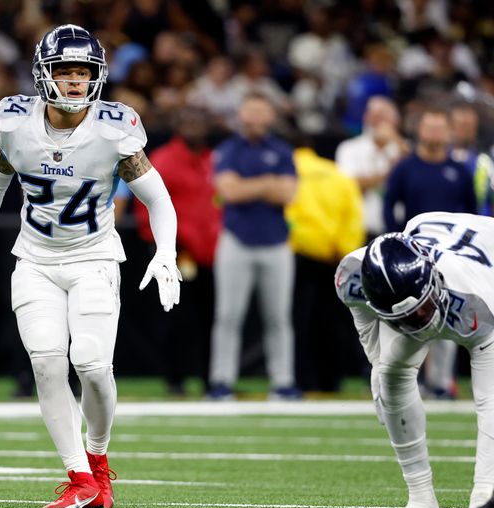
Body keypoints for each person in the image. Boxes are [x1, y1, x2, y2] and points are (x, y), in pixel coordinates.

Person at [0, 24, 180, 508]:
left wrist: (165, 252)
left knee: (90, 363)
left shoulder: (115, 127)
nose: (74, 82)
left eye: (83, 72)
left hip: (93, 257)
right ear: (43, 75)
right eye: (64, 72)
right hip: (36, 260)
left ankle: (99, 457)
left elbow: (158, 198)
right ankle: (80, 477)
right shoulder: (13, 122)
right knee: (47, 362)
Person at [335, 212, 494, 508]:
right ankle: (422, 503)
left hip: (481, 272)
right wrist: (378, 367)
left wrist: (483, 504)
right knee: (391, 377)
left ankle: (484, 496)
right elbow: (366, 323)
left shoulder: (479, 296)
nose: (423, 322)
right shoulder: (352, 277)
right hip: (430, 240)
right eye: (411, 317)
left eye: (423, 310)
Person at [208, 92, 300, 401]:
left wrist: (250, 186)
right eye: (251, 111)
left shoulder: (282, 150)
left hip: (276, 242)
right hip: (236, 240)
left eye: (262, 111)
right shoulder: (229, 149)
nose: (256, 118)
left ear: (271, 116)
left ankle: (283, 382)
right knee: (228, 316)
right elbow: (229, 192)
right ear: (241, 115)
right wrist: (268, 183)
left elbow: (288, 195)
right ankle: (221, 381)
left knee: (279, 317)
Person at [384, 107, 477, 401]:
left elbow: (471, 213)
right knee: (406, 318)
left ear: (449, 133)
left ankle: (439, 382)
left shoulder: (460, 171)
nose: (435, 134)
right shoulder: (404, 168)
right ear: (419, 131)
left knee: (447, 316)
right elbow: (390, 207)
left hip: (450, 257)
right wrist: (396, 243)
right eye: (430, 127)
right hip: (411, 256)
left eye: (440, 128)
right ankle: (404, 380)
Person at [132, 106, 221, 395]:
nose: (194, 126)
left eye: (199, 119)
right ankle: (175, 378)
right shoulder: (163, 160)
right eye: (188, 119)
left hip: (213, 253)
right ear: (177, 125)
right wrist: (167, 246)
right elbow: (146, 207)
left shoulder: (214, 160)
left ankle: (211, 379)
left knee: (212, 319)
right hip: (177, 252)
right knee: (176, 318)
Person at [286, 137, 364, 392]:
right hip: (335, 257)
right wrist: (343, 248)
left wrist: (304, 242)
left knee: (299, 322)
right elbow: (353, 216)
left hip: (301, 255)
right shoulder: (340, 176)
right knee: (334, 321)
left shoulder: (290, 170)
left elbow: (288, 214)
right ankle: (331, 380)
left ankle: (302, 379)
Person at [335, 96, 409, 240]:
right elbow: (349, 186)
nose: (376, 122)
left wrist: (397, 142)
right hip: (360, 231)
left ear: (395, 121)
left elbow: (417, 178)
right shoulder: (349, 148)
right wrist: (387, 173)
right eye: (372, 116)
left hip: (398, 231)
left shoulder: (402, 149)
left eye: (383, 117)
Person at [450, 103, 494, 216]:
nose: (466, 130)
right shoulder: (440, 159)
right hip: (447, 225)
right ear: (451, 127)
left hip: (480, 224)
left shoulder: (486, 160)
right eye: (461, 125)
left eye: (470, 125)